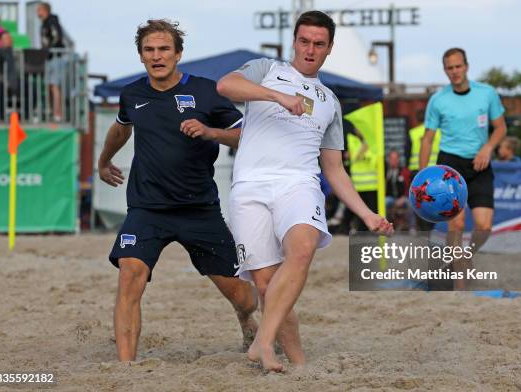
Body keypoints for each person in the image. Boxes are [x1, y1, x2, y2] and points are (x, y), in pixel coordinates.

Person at [217, 10, 393, 371]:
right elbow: (225, 86)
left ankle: (262, 344)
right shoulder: (267, 69)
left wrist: (367, 214)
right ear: (294, 41)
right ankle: (297, 363)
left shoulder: (330, 100)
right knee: (267, 288)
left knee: (302, 248)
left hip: (298, 184)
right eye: (304, 41)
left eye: (319, 43)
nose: (310, 49)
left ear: (329, 48)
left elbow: (334, 168)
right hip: (249, 186)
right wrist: (275, 96)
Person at [98, 19, 257, 362]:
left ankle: (246, 320)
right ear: (141, 56)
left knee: (242, 296)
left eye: (164, 49)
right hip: (147, 209)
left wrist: (210, 132)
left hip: (198, 209)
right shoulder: (132, 94)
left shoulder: (207, 91)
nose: (157, 56)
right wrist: (103, 161)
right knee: (130, 274)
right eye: (149, 50)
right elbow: (121, 128)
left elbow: (248, 135)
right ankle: (125, 367)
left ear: (178, 53)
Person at [419, 47, 507, 290]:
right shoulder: (438, 100)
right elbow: (427, 139)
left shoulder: (487, 93)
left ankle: (467, 256)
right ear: (445, 70)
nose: (455, 72)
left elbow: (501, 128)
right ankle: (459, 280)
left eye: (458, 66)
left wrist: (488, 147)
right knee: (456, 225)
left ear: (466, 66)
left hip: (480, 163)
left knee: (484, 226)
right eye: (450, 68)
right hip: (450, 166)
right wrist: (422, 174)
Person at [36, 2, 65, 121]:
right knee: (49, 86)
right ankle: (51, 111)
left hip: (55, 56)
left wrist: (48, 49)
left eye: (39, 10)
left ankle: (57, 113)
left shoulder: (52, 21)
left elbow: (57, 37)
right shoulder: (44, 23)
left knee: (55, 85)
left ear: (45, 10)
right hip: (49, 57)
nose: (37, 12)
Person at [385, 150, 410, 231]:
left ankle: (412, 227)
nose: (394, 161)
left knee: (410, 204)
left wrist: (403, 197)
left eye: (396, 159)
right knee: (384, 202)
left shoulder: (404, 171)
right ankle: (386, 227)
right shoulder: (385, 172)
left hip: (402, 198)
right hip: (390, 198)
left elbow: (409, 187)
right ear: (388, 160)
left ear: (399, 160)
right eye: (392, 159)